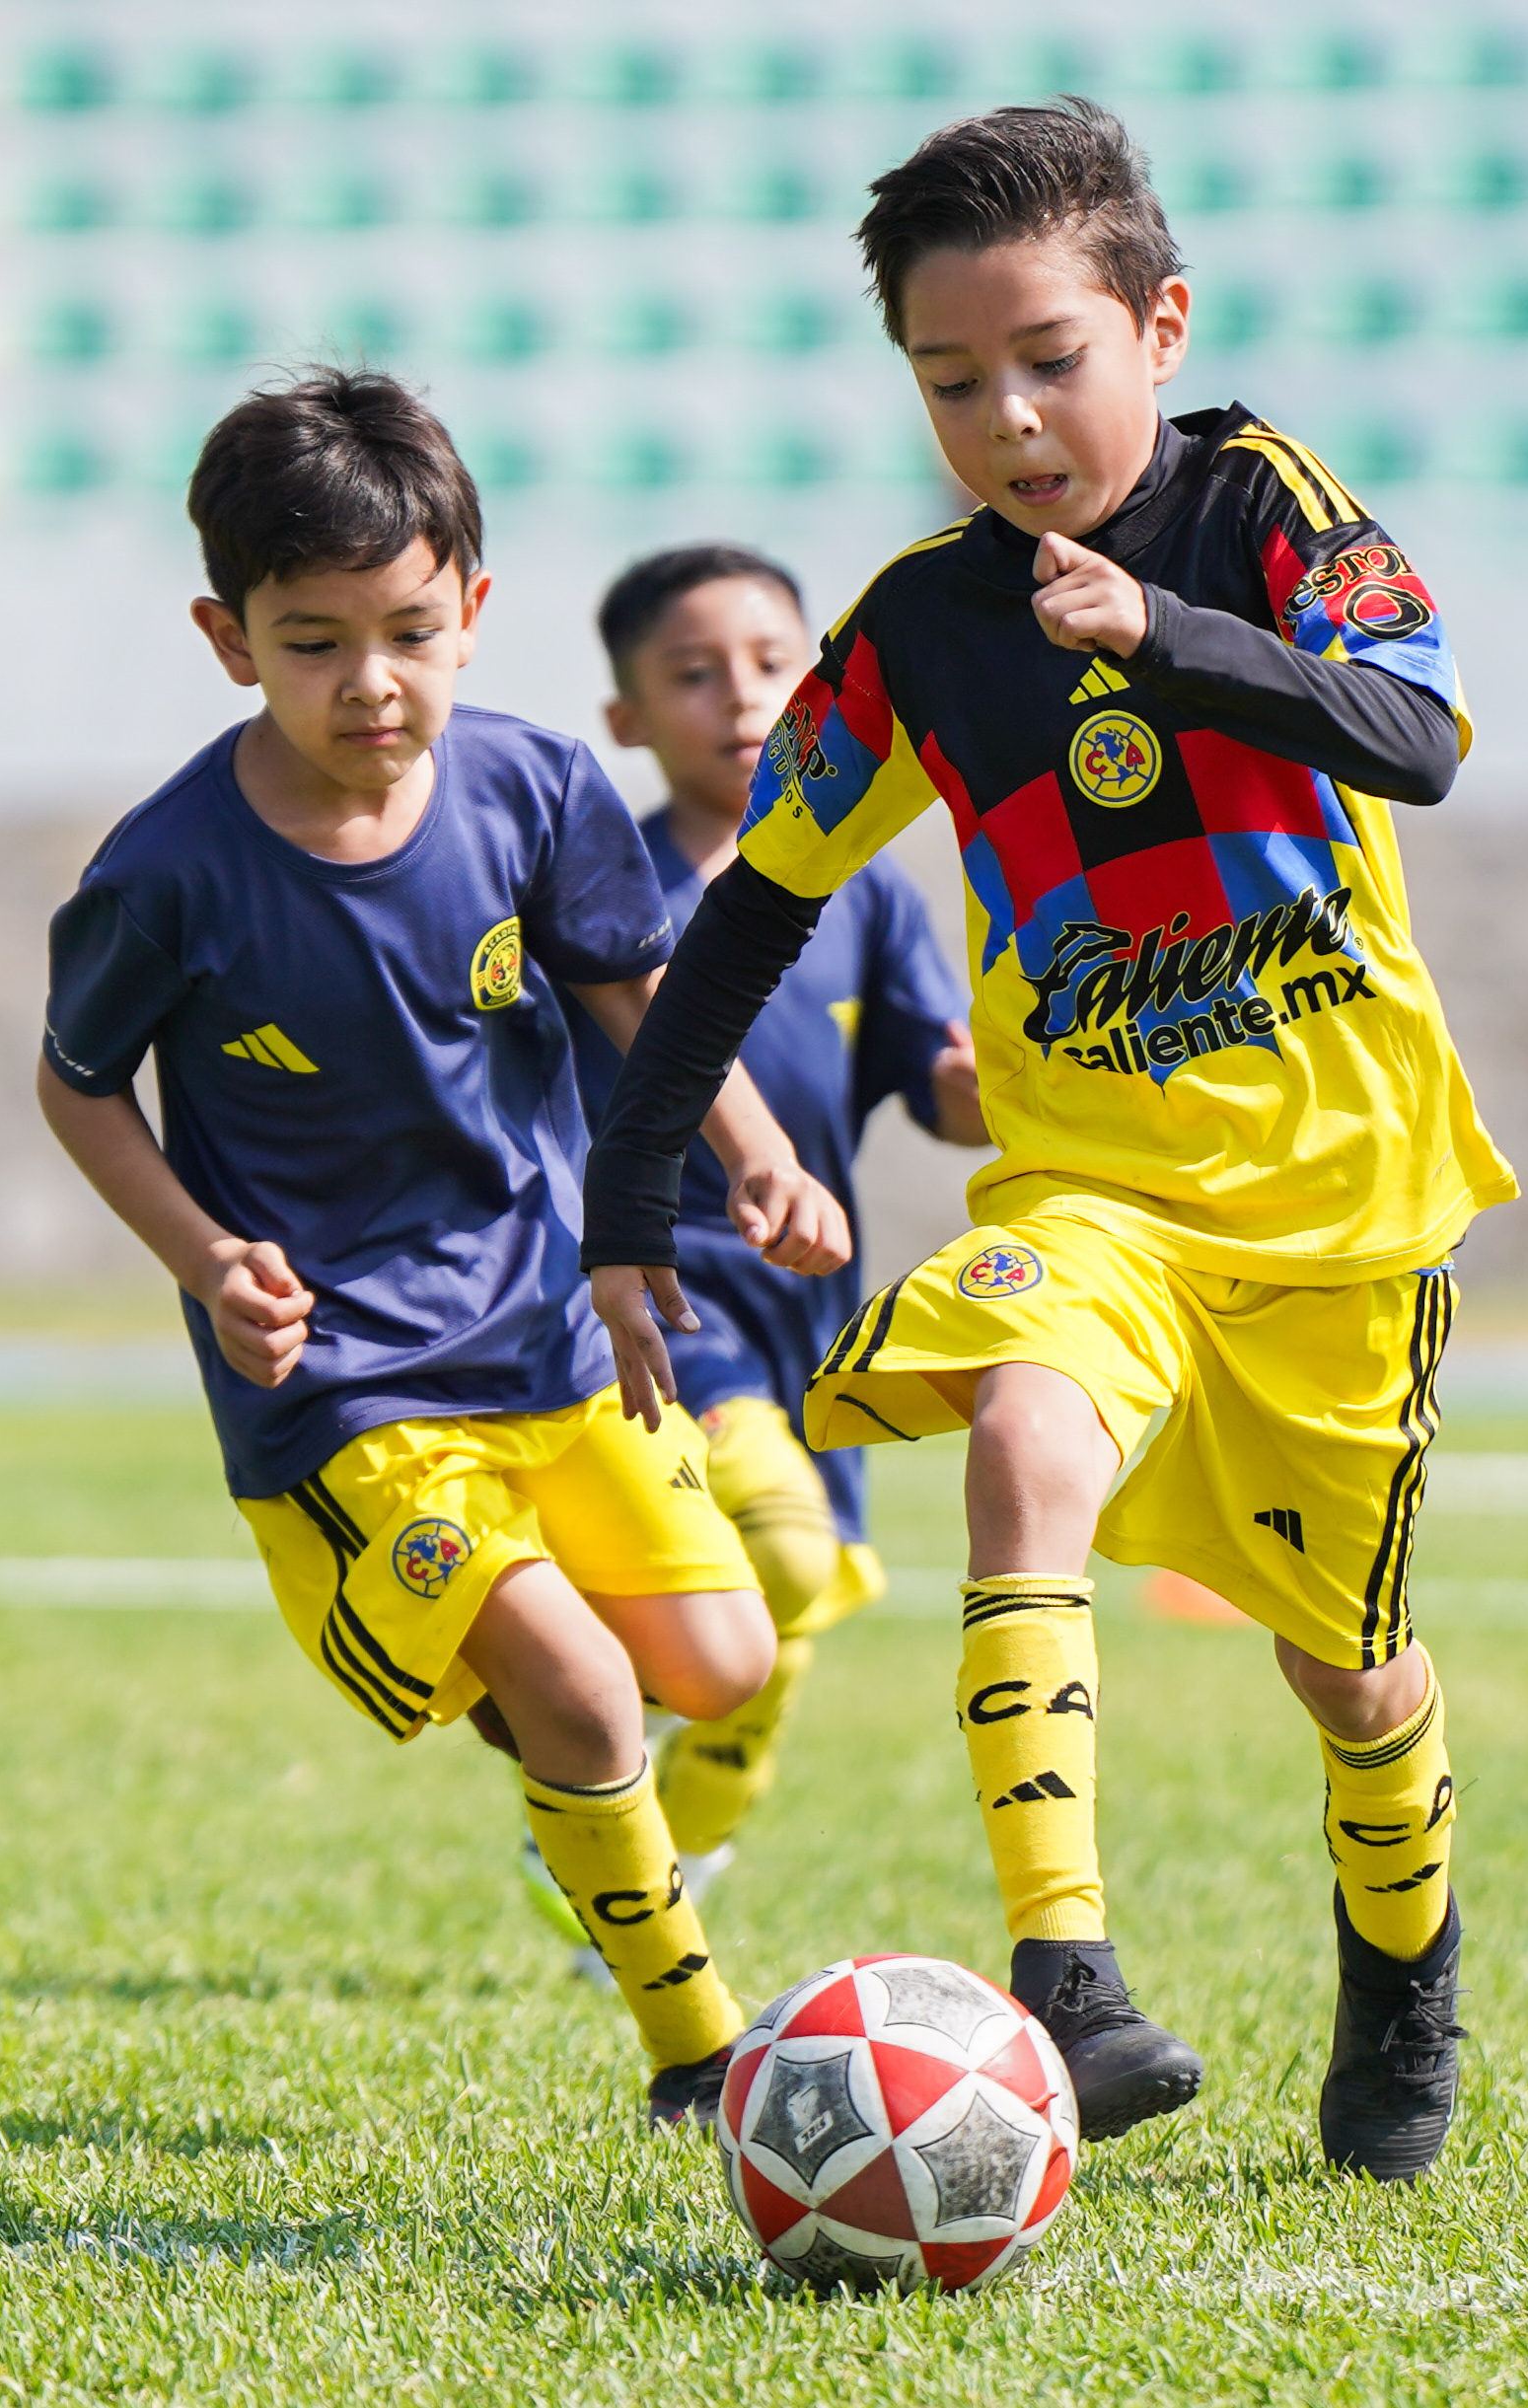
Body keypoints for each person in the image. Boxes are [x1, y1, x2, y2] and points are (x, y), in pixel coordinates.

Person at [579, 102, 1514, 2181]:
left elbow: (1421, 735)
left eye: (1047, 362)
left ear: (1157, 326)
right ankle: (1065, 1986)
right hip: (1089, 1192)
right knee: (1021, 1431)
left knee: (1347, 1678)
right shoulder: (915, 630)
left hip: (1338, 1215)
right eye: (948, 382)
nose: (1005, 419)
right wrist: (625, 1186)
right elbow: (752, 906)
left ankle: (1403, 1971)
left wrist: (1164, 638)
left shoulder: (1264, 509)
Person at [35, 371, 850, 2128]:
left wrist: (760, 1155)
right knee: (575, 1684)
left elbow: (636, 991)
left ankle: (556, 1749)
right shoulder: (168, 872)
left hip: (548, 1339)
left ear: (473, 612)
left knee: (716, 1663)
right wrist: (201, 1256)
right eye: (313, 640)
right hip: (343, 1384)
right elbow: (77, 1086)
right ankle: (694, 2048)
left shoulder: (536, 789)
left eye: (409, 630)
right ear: (227, 638)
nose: (372, 681)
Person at [510, 546, 982, 1970]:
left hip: (806, 1311)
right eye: (692, 672)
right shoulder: (603, 895)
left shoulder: (868, 893)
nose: (741, 697)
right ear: (626, 720)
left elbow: (941, 1088)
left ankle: (644, 1833)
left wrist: (1036, 1060)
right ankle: (609, 1756)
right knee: (777, 1543)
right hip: (652, 1296)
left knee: (804, 1592)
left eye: (774, 662)